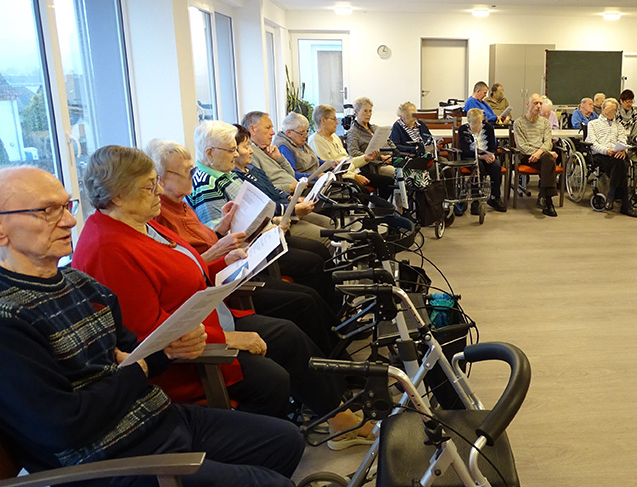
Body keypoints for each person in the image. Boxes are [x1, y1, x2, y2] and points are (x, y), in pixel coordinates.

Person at [0, 166, 304, 486]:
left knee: (286, 440)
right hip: (112, 459)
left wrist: (169, 350)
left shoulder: (80, 284)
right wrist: (136, 369)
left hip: (156, 418)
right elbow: (65, 423)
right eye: (47, 211)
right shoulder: (9, 317)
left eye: (66, 206)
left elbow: (136, 352)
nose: (69, 221)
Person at [72, 146, 373, 450]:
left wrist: (222, 263)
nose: (159, 190)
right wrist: (228, 339)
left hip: (211, 320)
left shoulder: (141, 223)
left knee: (289, 335)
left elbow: (186, 268)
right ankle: (273, 450)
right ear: (117, 195)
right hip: (187, 357)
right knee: (272, 379)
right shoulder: (107, 249)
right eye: (149, 186)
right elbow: (149, 333)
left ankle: (339, 415)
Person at [146, 138, 339, 354]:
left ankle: (337, 346)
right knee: (304, 300)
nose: (193, 174)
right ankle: (334, 357)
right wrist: (220, 249)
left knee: (308, 292)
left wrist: (221, 229)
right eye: (188, 171)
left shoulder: (181, 203)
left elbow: (201, 244)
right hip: (223, 287)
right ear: (161, 178)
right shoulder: (160, 215)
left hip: (232, 270)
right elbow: (186, 269)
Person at [185, 121, 340, 309]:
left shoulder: (226, 174)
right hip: (251, 251)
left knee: (318, 254)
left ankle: (333, 311)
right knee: (312, 268)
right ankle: (331, 314)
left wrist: (274, 223)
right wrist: (268, 228)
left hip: (265, 236)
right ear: (210, 153)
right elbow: (219, 239)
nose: (236, 154)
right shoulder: (206, 185)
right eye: (231, 150)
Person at [586, 98, 637, 218]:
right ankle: (625, 204)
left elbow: (623, 140)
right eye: (609, 109)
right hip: (601, 154)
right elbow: (593, 144)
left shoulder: (618, 125)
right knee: (620, 165)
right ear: (603, 109)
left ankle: (611, 194)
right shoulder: (593, 124)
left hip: (617, 154)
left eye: (614, 110)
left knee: (619, 161)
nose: (612, 112)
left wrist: (623, 150)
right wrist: (606, 150)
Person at [512, 93, 559, 217]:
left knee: (548, 159)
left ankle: (545, 198)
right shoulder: (519, 123)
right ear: (527, 104)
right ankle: (547, 200)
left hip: (542, 155)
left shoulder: (545, 122)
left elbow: (548, 142)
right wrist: (539, 152)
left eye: (540, 103)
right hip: (526, 156)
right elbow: (521, 146)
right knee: (549, 159)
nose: (538, 106)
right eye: (535, 103)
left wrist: (539, 153)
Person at [309, 103, 378, 186]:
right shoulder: (316, 140)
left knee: (387, 181)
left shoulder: (335, 137)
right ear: (323, 120)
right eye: (333, 119)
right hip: (341, 179)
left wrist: (365, 158)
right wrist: (354, 176)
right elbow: (330, 170)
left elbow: (349, 162)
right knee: (367, 190)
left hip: (353, 173)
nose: (337, 122)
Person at [346, 96, 397, 199]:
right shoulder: (353, 132)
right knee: (397, 174)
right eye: (365, 111)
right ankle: (385, 204)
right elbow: (353, 153)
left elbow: (391, 144)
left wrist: (390, 155)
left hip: (389, 160)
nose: (368, 114)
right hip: (372, 166)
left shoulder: (375, 128)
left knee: (408, 170)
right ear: (356, 112)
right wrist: (379, 157)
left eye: (370, 111)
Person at [457, 108, 506, 213]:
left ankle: (495, 197)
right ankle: (475, 200)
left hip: (486, 156)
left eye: (479, 122)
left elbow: (493, 146)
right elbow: (464, 150)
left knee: (496, 167)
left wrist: (492, 155)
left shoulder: (488, 128)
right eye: (474, 123)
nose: (478, 125)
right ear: (469, 121)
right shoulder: (463, 129)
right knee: (478, 166)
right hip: (470, 157)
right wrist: (481, 157)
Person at [241, 111, 297, 193]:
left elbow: (291, 174)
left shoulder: (267, 150)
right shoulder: (249, 153)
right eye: (268, 128)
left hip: (294, 193)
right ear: (252, 130)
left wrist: (279, 158)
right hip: (283, 196)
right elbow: (260, 188)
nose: (273, 132)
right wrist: (288, 188)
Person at [272, 112, 322, 179]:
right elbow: (291, 174)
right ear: (289, 133)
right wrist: (316, 177)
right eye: (302, 133)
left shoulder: (298, 141)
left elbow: (315, 159)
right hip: (305, 182)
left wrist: (330, 164)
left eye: (306, 131)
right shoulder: (283, 147)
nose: (305, 136)